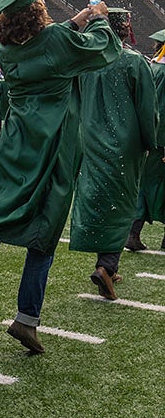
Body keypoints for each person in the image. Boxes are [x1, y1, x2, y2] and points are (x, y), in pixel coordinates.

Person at [0, 0, 121, 353]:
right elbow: (99, 50)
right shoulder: (57, 42)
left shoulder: (9, 51)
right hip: (53, 148)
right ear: (37, 13)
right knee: (43, 234)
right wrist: (99, 18)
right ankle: (26, 321)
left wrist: (75, 20)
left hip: (14, 145)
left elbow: (49, 43)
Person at [69, 28, 158, 299]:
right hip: (124, 144)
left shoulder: (85, 62)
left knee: (100, 202)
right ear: (125, 29)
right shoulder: (133, 61)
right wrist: (150, 141)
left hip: (90, 141)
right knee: (121, 204)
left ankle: (108, 264)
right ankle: (106, 266)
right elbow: (146, 107)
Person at [126, 29, 165, 251]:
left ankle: (133, 232)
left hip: (147, 136)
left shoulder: (152, 67)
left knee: (143, 185)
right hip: (162, 139)